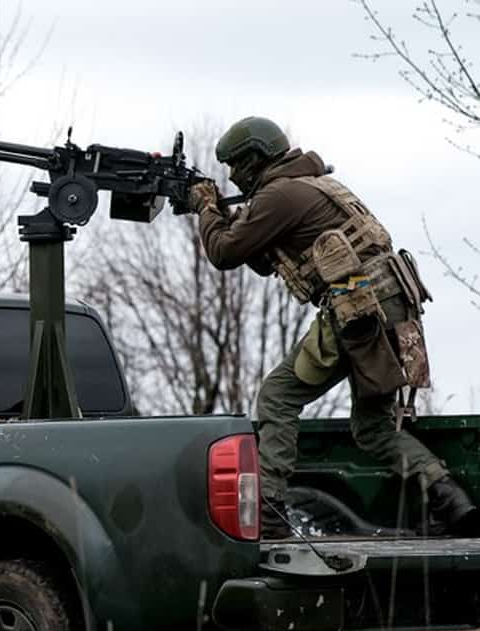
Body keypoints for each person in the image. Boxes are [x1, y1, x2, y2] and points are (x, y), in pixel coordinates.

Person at [188, 117, 480, 540]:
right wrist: (226, 213)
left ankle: (268, 510)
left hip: (356, 308)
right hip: (390, 305)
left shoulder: (281, 195)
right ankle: (450, 500)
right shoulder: (312, 186)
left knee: (278, 396)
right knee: (375, 429)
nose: (232, 175)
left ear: (255, 158)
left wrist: (206, 210)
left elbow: (224, 252)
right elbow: (260, 257)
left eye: (235, 164)